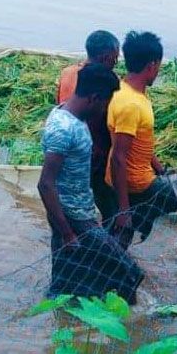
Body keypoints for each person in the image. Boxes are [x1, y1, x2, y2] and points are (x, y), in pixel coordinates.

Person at [40, 63, 144, 303]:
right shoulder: (63, 129)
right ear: (94, 98)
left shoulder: (71, 117)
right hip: (74, 220)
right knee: (129, 273)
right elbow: (45, 184)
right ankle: (132, 328)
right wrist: (67, 232)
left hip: (79, 215)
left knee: (68, 285)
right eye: (105, 102)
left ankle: (66, 324)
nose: (106, 109)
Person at [106, 31, 177, 253]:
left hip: (136, 176)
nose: (159, 70)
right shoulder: (132, 105)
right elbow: (118, 156)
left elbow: (138, 144)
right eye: (159, 65)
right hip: (137, 183)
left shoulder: (123, 89)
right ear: (152, 65)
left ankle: (111, 260)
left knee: (120, 239)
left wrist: (160, 169)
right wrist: (124, 209)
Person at [56, 30, 121, 221]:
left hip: (66, 151)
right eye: (115, 59)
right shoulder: (104, 84)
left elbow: (59, 103)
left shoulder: (67, 73)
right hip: (93, 154)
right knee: (109, 206)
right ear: (105, 57)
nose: (115, 63)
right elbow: (109, 122)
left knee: (69, 199)